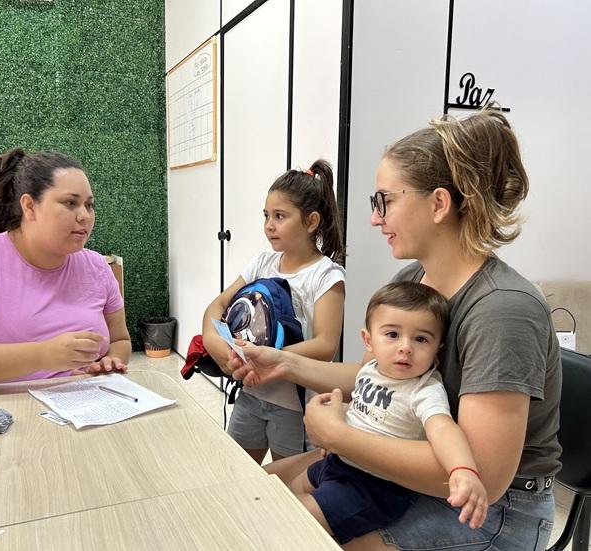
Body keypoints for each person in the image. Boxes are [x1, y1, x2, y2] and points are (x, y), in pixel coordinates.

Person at [230, 108, 562, 550]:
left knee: (283, 532)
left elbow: (483, 476)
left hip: (493, 510)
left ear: (438, 204)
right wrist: (284, 363)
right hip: (410, 476)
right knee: (248, 495)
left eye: (384, 200)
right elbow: (374, 376)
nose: (375, 218)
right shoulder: (412, 281)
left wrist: (339, 436)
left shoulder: (503, 310)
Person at [0, 148, 132, 391]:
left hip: (69, 403)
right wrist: (43, 355)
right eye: (70, 203)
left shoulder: (97, 267)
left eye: (89, 205)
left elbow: (119, 340)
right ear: (29, 206)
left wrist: (111, 362)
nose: (85, 216)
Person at [289, 281, 487, 545]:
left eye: (421, 339)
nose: (406, 347)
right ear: (368, 340)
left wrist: (462, 469)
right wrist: (336, 419)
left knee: (295, 518)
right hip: (338, 464)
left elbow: (443, 428)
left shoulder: (424, 389)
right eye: (393, 335)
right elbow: (364, 409)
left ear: (437, 349)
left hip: (373, 487)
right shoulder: (370, 370)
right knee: (287, 492)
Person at [203, 159, 346, 463]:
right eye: (266, 216)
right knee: (237, 472)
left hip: (294, 406)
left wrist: (269, 358)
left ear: (311, 222)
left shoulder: (326, 275)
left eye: (280, 216)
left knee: (286, 482)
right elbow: (217, 306)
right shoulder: (261, 263)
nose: (269, 225)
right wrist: (214, 342)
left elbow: (325, 346)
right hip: (250, 394)